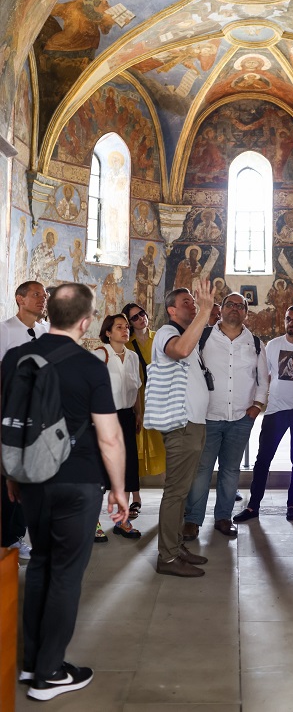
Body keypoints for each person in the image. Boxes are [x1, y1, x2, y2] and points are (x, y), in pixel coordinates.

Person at [1, 283, 128, 701]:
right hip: (78, 480)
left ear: (48, 314)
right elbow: (109, 437)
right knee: (66, 575)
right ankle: (50, 673)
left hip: (32, 478)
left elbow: (9, 419)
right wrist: (119, 489)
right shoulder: (90, 365)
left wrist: (12, 474)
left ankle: (31, 663)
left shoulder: (15, 358)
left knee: (41, 563)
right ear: (87, 321)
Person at [183, 293, 268, 539]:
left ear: (246, 313)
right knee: (202, 470)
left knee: (230, 470)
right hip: (208, 415)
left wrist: (257, 406)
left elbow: (263, 379)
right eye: (230, 304)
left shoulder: (255, 343)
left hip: (241, 418)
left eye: (240, 306)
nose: (234, 309)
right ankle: (192, 519)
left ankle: (223, 517)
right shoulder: (204, 337)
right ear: (220, 309)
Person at [234, 305, 293, 523]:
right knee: (263, 459)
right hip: (275, 409)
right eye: (288, 319)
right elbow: (264, 375)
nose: (291, 323)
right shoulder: (274, 345)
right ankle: (253, 506)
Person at [152, 281, 215, 577]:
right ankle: (167, 558)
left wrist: (201, 313)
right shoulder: (167, 332)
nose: (193, 305)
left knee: (182, 490)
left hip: (193, 423)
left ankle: (176, 547)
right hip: (181, 424)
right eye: (186, 302)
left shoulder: (187, 334)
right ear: (171, 310)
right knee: (175, 493)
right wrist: (205, 310)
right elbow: (179, 350)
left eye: (194, 301)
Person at [0, 281, 49, 561]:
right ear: (20, 299)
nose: (42, 299)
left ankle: (18, 536)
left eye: (44, 295)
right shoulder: (5, 330)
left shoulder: (45, 332)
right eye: (36, 294)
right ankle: (8, 539)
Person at [93, 314, 142, 540]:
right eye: (119, 327)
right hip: (103, 419)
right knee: (100, 472)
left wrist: (138, 413)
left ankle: (122, 521)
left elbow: (136, 388)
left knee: (125, 470)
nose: (125, 330)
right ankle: (93, 522)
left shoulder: (132, 356)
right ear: (108, 332)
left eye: (126, 327)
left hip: (126, 417)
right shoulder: (99, 355)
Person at [122, 302, 166, 513]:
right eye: (135, 317)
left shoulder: (159, 338)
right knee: (134, 450)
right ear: (129, 323)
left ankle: (171, 497)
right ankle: (135, 497)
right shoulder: (127, 344)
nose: (141, 319)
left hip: (160, 399)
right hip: (137, 400)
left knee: (165, 447)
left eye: (142, 314)